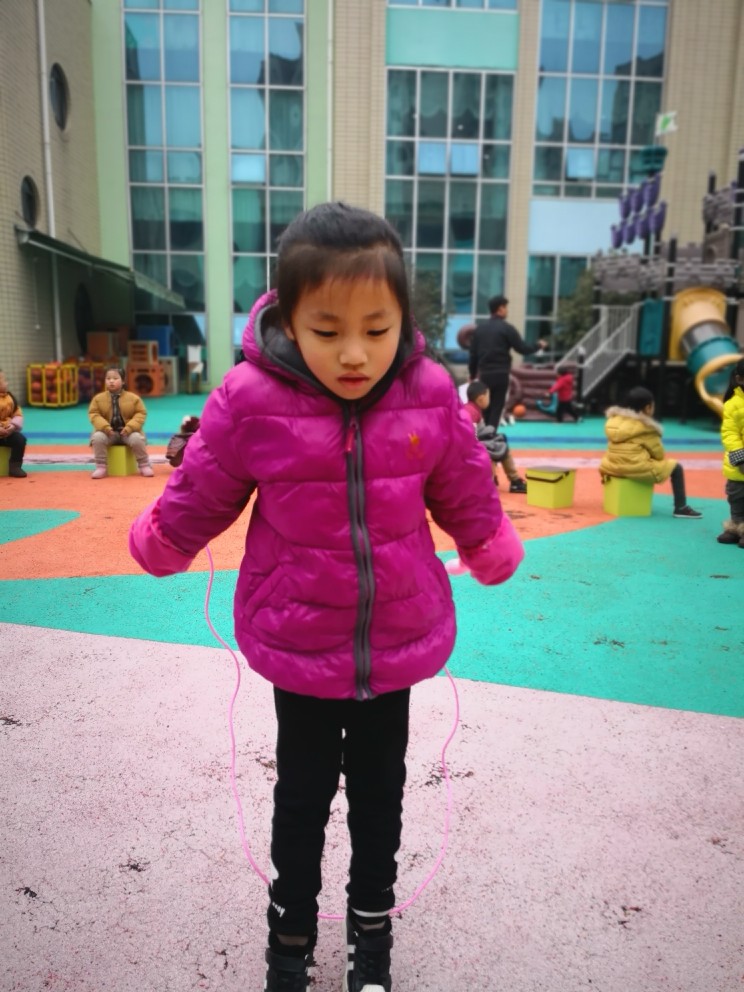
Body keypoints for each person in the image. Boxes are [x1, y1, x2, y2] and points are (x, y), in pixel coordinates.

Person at [128, 202, 524, 992]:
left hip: (396, 636)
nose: (354, 353)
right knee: (302, 796)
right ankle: (291, 938)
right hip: (299, 639)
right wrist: (165, 540)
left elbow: (464, 485)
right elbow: (204, 485)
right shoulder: (251, 399)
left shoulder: (427, 392)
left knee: (381, 796)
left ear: (401, 318)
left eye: (376, 330)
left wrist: (486, 544)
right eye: (327, 328)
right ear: (287, 317)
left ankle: (371, 932)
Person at [599, 385, 701, 519]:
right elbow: (659, 454)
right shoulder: (646, 427)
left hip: (611, 466)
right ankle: (681, 507)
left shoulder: (613, 422)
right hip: (635, 468)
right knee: (676, 467)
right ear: (648, 408)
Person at [468, 295, 547, 429]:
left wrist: (472, 374)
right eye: (505, 308)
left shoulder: (479, 330)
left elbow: (473, 355)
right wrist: (538, 345)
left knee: (485, 406)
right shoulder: (507, 328)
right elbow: (522, 349)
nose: (507, 311)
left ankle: (483, 435)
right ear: (500, 309)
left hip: (485, 374)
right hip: (501, 373)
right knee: (497, 406)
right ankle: (491, 434)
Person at [88, 367, 154, 479]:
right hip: (108, 433)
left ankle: (144, 465)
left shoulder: (134, 398)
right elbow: (94, 414)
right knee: (97, 437)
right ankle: (101, 467)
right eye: (108, 378)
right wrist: (105, 428)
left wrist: (129, 428)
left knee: (137, 438)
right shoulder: (98, 399)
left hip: (128, 433)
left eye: (115, 378)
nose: (111, 381)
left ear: (123, 381)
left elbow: (140, 414)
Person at [464, 381, 527, 493]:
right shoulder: (472, 412)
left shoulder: (470, 408)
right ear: (481, 399)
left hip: (472, 444)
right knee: (501, 447)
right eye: (488, 396)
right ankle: (514, 481)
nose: (489, 399)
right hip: (470, 447)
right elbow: (470, 434)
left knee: (499, 441)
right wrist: (478, 448)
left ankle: (495, 478)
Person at [717, 357, 744, 546]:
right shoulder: (733, 404)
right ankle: (735, 526)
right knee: (736, 496)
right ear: (739, 379)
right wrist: (740, 458)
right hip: (738, 464)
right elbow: (730, 433)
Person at [0, 369, 28, 478]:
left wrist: (13, 426)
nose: (6, 383)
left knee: (20, 440)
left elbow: (17, 414)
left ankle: (15, 466)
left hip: (7, 432)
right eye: (3, 380)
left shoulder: (10, 398)